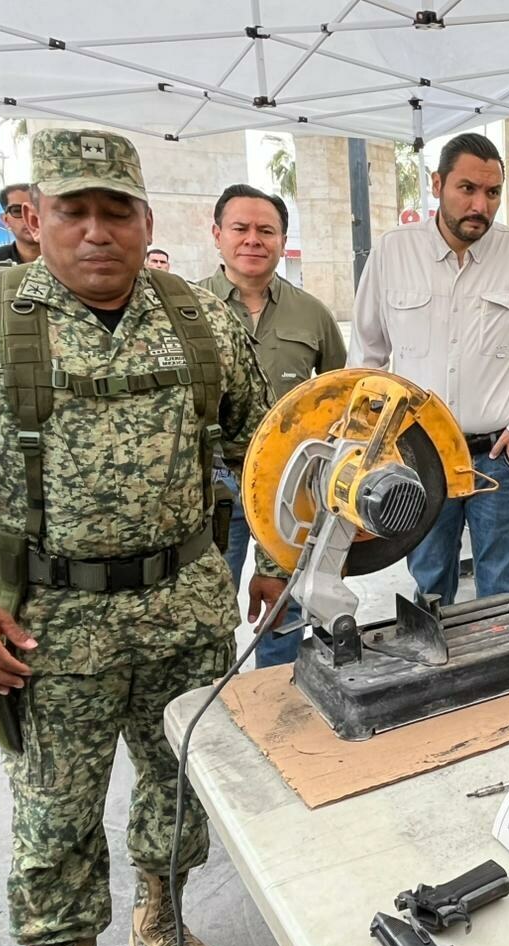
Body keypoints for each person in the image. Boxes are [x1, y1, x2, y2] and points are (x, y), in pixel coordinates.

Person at [0, 128, 283, 946]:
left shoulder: (201, 318)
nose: (96, 232)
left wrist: (280, 558)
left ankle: (161, 922)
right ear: (36, 215)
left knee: (183, 786)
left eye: (117, 212)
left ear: (147, 220)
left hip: (186, 613)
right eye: (74, 211)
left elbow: (265, 448)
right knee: (55, 818)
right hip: (48, 629)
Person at [349, 132, 509, 604]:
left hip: (499, 456)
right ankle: (437, 651)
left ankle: (500, 651)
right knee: (429, 585)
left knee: (504, 591)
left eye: (493, 192)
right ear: (437, 184)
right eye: (467, 189)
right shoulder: (393, 253)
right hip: (419, 457)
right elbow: (366, 361)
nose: (480, 205)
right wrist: (376, 446)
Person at [198, 183, 345, 666]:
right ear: (217, 235)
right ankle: (210, 694)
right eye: (240, 228)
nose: (253, 240)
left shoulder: (312, 314)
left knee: (285, 604)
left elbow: (339, 395)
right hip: (210, 490)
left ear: (282, 240)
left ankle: (279, 690)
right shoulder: (186, 310)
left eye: (266, 230)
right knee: (206, 604)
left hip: (290, 489)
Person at [0, 182, 41, 267]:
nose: (30, 218)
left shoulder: (65, 257)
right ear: (5, 220)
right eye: (17, 211)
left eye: (37, 209)